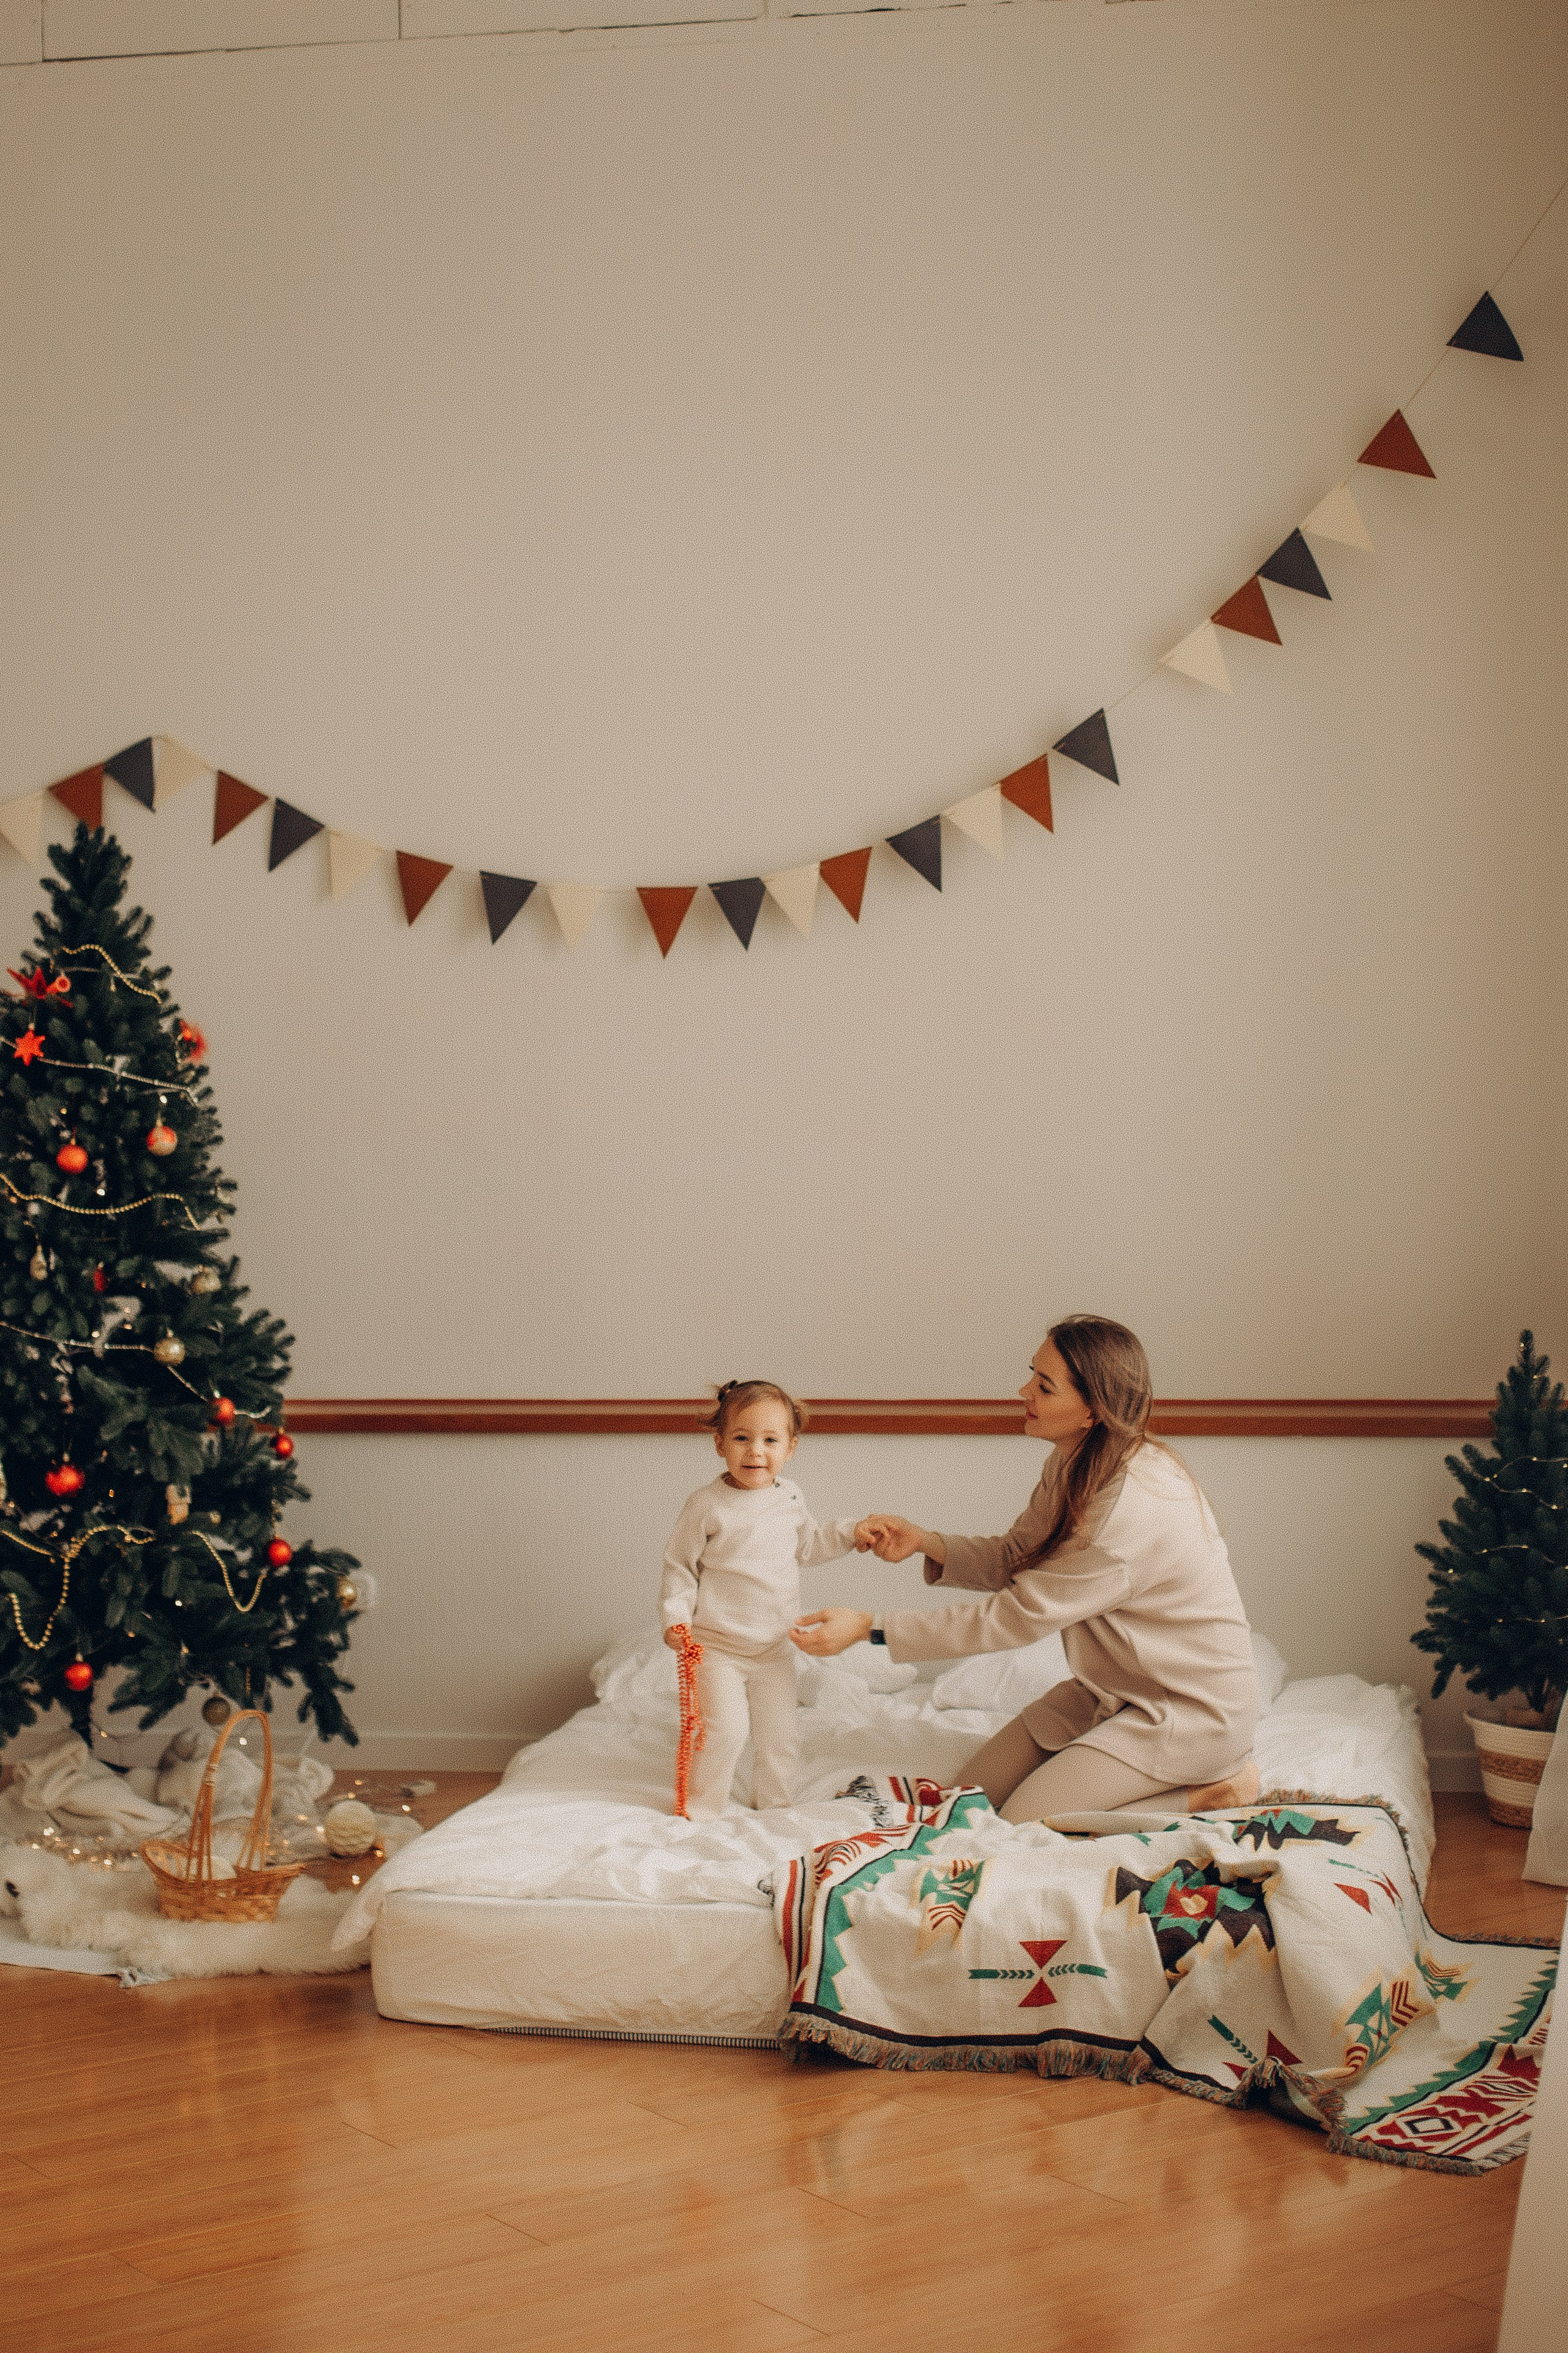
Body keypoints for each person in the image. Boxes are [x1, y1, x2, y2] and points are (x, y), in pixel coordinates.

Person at [790, 1315, 1261, 1822]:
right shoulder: (1076, 1459)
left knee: (1023, 1824)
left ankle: (1219, 1790)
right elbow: (1019, 1557)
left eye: (1044, 1385)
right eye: (1031, 1375)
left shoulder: (1133, 1508)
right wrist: (925, 1542)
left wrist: (869, 1627)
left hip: (1187, 1713)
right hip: (1111, 1691)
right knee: (964, 1804)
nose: (1023, 1391)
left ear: (1091, 1410)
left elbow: (1015, 1618)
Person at [660, 1380, 865, 1819]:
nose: (756, 1451)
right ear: (720, 1443)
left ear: (790, 1447)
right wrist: (675, 1618)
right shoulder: (706, 1504)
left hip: (774, 1647)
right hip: (717, 1647)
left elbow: (810, 1544)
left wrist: (851, 1532)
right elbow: (680, 1566)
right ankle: (701, 1810)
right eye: (741, 1438)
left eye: (770, 1440)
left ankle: (776, 1806)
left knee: (780, 1734)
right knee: (725, 1731)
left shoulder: (790, 1497)